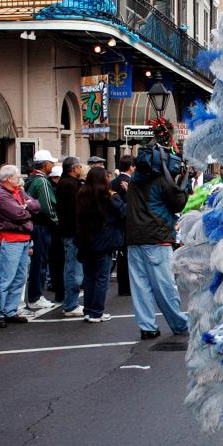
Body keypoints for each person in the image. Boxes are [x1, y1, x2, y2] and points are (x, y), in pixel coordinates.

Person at [126, 146, 191, 340]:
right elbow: (179, 202)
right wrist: (184, 184)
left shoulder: (134, 181)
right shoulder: (162, 181)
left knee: (140, 285)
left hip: (134, 237)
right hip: (157, 237)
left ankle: (147, 326)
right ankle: (179, 323)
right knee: (165, 286)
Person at [0, 165, 40, 327]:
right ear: (8, 179)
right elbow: (18, 214)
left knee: (20, 278)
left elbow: (36, 206)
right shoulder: (1, 195)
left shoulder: (18, 190)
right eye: (18, 177)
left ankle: (11, 311)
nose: (21, 180)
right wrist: (26, 209)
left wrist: (26, 208)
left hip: (23, 238)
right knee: (6, 278)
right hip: (10, 240)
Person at [75, 167, 125, 322]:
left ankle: (89, 309)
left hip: (85, 239)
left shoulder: (82, 194)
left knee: (89, 277)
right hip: (104, 240)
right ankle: (97, 311)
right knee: (102, 277)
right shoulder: (108, 196)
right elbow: (123, 212)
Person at [24, 149, 59, 310]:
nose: (53, 165)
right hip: (41, 226)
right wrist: (55, 221)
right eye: (51, 162)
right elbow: (47, 207)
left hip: (34, 224)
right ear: (45, 164)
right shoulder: (42, 181)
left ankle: (35, 295)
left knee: (37, 262)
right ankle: (36, 296)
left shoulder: (31, 179)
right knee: (40, 262)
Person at [55, 157, 85, 317]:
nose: (82, 169)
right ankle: (71, 304)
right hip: (72, 231)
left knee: (73, 268)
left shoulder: (66, 183)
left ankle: (70, 302)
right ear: (74, 168)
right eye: (80, 166)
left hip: (70, 231)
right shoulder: (69, 185)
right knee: (73, 269)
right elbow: (77, 209)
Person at [110, 155, 135, 296]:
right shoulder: (129, 183)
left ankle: (123, 286)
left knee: (121, 255)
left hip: (115, 223)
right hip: (127, 223)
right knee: (127, 256)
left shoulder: (113, 182)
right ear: (131, 167)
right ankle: (127, 287)